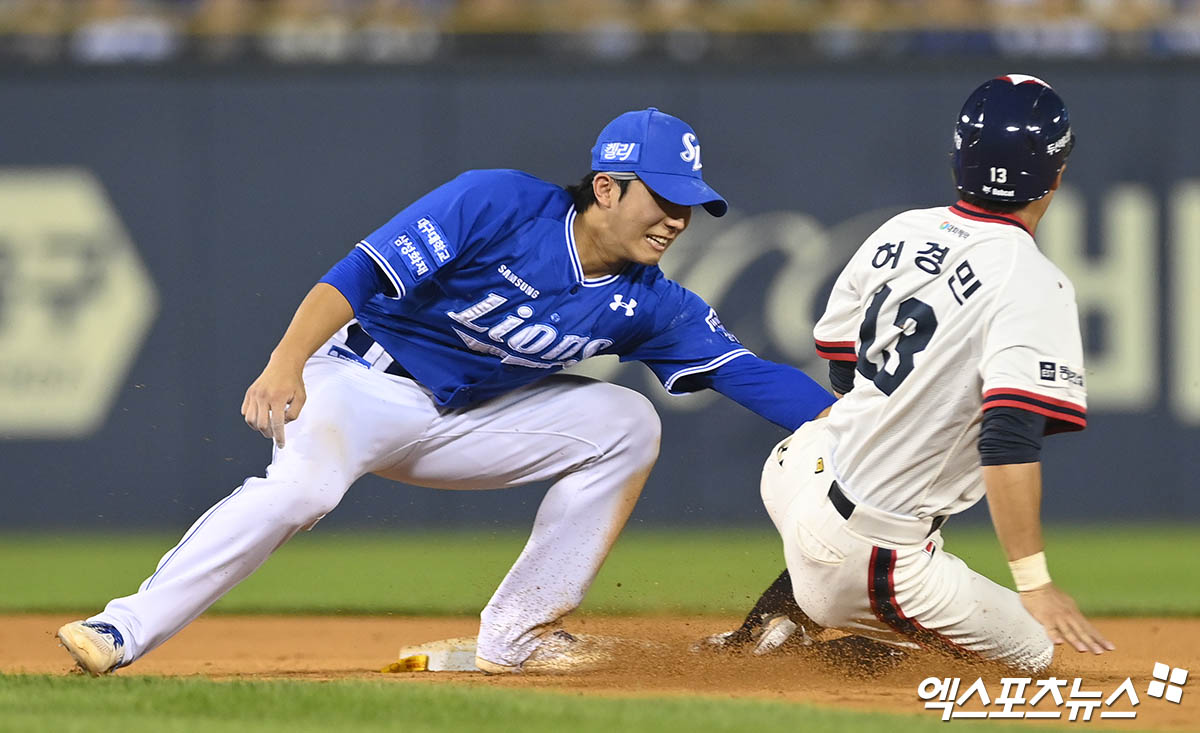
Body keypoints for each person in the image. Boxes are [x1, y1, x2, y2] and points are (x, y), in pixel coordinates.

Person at [56, 107, 835, 676]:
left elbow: (750, 376)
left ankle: (517, 636)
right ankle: (122, 627)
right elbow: (359, 274)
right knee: (299, 494)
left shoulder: (651, 300)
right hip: (357, 383)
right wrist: (286, 359)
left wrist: (857, 423)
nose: (677, 219)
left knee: (628, 419)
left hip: (467, 421)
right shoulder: (497, 202)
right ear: (607, 187)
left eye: (688, 204)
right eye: (663, 198)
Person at [701, 75, 1113, 672]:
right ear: (1057, 173)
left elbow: (841, 358)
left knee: (846, 445)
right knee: (1032, 653)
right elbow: (1008, 440)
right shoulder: (1033, 281)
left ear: (958, 159)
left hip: (799, 473)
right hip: (871, 552)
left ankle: (770, 625)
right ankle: (828, 650)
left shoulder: (900, 231)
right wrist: (1035, 580)